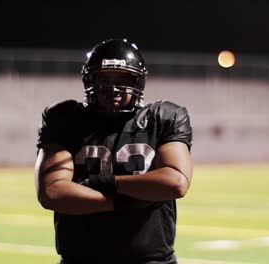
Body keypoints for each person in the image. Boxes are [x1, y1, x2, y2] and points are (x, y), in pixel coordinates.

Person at [34, 38, 193, 264]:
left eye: (123, 79)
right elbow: (52, 191)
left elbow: (176, 181)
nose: (113, 89)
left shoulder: (163, 117)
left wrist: (104, 183)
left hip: (151, 259)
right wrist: (124, 201)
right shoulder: (65, 119)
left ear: (138, 81)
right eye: (104, 79)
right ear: (90, 80)